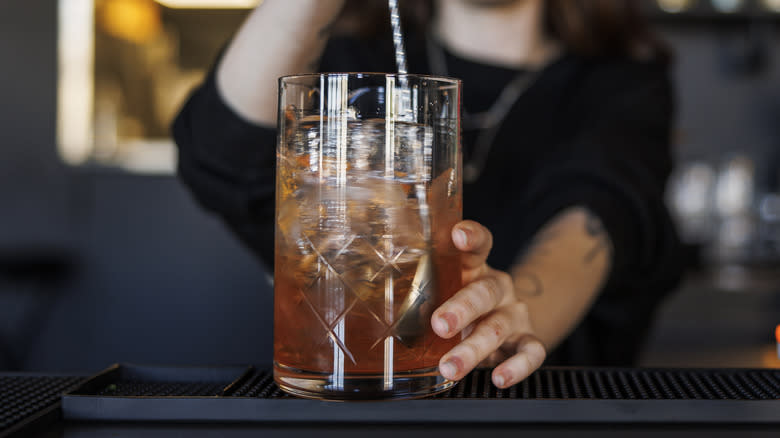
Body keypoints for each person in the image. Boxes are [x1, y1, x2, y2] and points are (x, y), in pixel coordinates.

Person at [172, 0, 683, 389]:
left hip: (547, 412)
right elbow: (220, 154)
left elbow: (603, 211)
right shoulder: (346, 58)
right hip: (339, 407)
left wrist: (507, 310)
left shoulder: (622, 81)